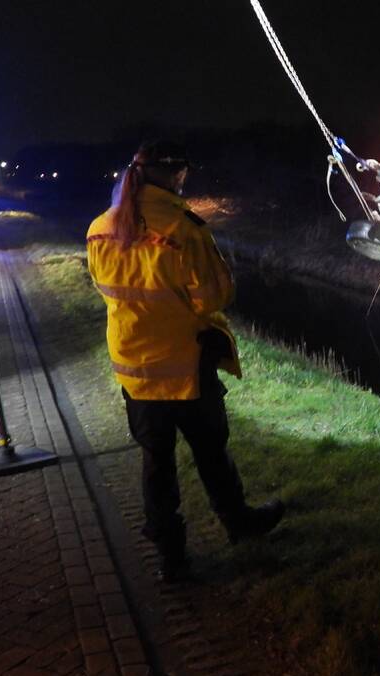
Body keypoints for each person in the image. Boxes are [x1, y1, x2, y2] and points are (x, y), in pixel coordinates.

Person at [86, 140, 283, 582]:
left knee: (156, 461)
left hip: (134, 366)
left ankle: (171, 556)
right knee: (211, 451)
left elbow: (105, 286)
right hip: (185, 365)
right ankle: (239, 524)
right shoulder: (184, 229)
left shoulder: (100, 229)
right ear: (175, 175)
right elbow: (213, 297)